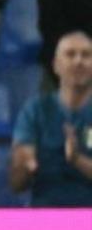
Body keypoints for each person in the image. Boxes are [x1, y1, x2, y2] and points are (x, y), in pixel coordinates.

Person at [10, 30, 92, 206]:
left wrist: (77, 159)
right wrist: (25, 166)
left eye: (86, 55)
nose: (78, 61)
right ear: (56, 65)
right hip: (45, 213)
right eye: (70, 54)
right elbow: (16, 185)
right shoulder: (34, 111)